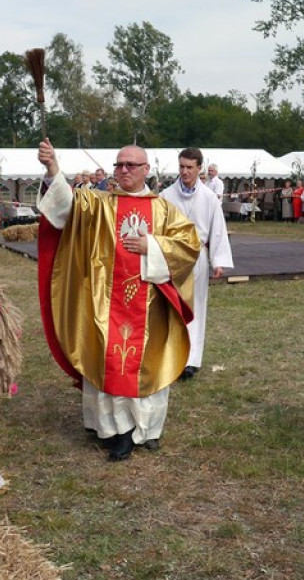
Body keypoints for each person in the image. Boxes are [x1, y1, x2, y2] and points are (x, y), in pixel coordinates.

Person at [36, 139, 200, 461]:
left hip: (149, 306)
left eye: (131, 165)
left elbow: (189, 245)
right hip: (105, 305)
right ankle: (114, 432)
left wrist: (152, 246)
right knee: (110, 362)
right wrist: (52, 167)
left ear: (146, 170)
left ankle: (147, 430)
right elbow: (66, 206)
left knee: (147, 364)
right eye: (119, 164)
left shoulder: (164, 208)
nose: (123, 170)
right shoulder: (99, 204)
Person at [160, 148, 234, 382]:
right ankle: (171, 357)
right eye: (181, 167)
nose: (184, 172)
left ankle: (191, 360)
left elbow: (218, 229)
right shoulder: (165, 196)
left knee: (196, 307)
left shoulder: (209, 197)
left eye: (189, 167)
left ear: (199, 168)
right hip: (172, 258)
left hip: (197, 257)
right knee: (171, 306)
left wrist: (218, 260)